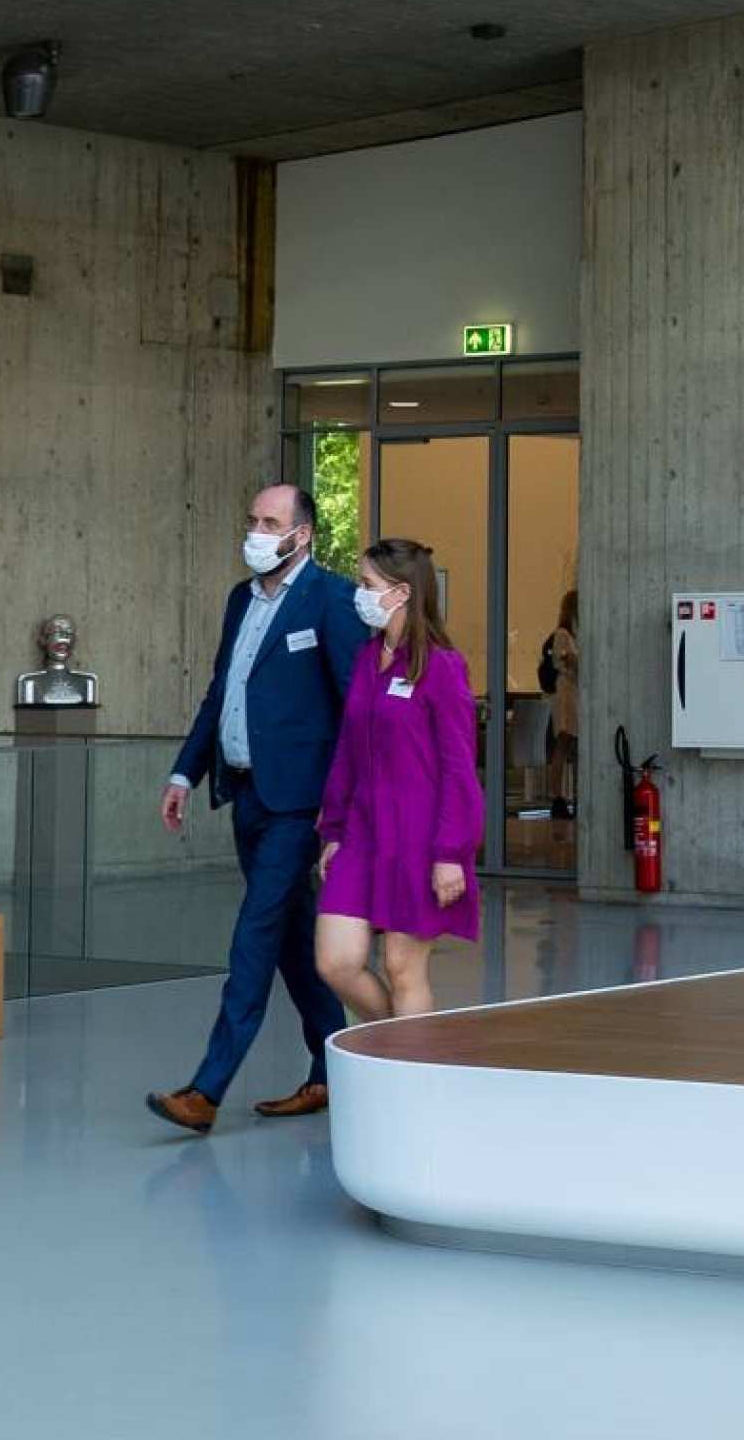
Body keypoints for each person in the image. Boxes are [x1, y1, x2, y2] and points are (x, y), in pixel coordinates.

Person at [147, 483, 368, 1134]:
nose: (256, 532)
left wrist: (347, 809)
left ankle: (207, 1089)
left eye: (270, 522)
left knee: (254, 934)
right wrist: (186, 771)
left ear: (302, 534)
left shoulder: (330, 600)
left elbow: (356, 709)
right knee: (297, 945)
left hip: (301, 805)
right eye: (252, 520)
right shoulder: (241, 599)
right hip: (246, 793)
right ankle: (332, 1074)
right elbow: (222, 692)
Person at [310, 538, 482, 1025]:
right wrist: (335, 830)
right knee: (335, 962)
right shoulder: (367, 658)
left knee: (403, 967)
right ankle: (407, 1048)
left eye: (367, 584)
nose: (358, 594)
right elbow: (348, 748)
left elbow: (458, 767)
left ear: (402, 592)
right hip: (363, 834)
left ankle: (408, 1077)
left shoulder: (442, 667)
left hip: (418, 838)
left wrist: (451, 852)